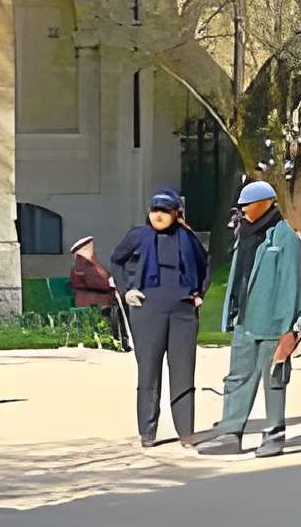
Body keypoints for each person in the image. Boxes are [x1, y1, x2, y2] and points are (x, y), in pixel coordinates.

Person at [197, 181, 301, 458]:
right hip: (245, 320)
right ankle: (231, 432)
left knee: (274, 377)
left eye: (247, 205)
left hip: (273, 322)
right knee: (237, 377)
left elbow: (292, 285)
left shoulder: (285, 238)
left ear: (265, 202)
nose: (242, 210)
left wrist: (288, 330)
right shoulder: (244, 235)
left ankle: (274, 433)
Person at [110, 189, 209, 447]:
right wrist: (126, 289)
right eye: (154, 210)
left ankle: (186, 431)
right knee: (148, 372)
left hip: (183, 312)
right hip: (147, 311)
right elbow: (116, 260)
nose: (158, 215)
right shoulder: (138, 236)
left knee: (183, 371)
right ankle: (148, 431)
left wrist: (199, 294)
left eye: (164, 211)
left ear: (176, 213)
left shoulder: (188, 238)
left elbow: (205, 265)